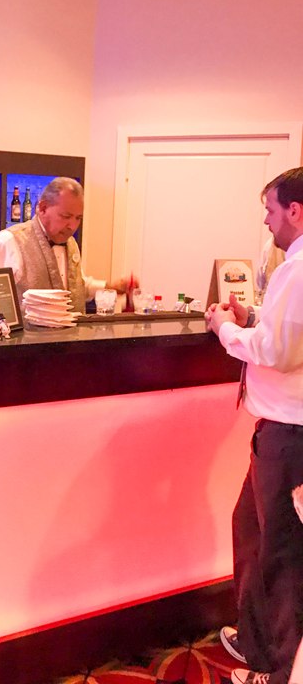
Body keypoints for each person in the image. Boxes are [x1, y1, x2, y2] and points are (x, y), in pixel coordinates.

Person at [206, 167, 303, 684]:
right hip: (280, 433)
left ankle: (282, 672)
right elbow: (289, 332)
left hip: (291, 435)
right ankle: (257, 644)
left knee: (283, 557)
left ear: (295, 211)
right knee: (251, 529)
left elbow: (277, 353)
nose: (266, 222)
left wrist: (226, 329)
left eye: (270, 210)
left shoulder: (298, 267)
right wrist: (256, 316)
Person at [0, 177, 135, 313]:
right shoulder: (9, 241)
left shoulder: (71, 243)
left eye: (78, 218)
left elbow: (77, 287)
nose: (73, 226)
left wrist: (112, 287)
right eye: (66, 216)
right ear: (43, 208)